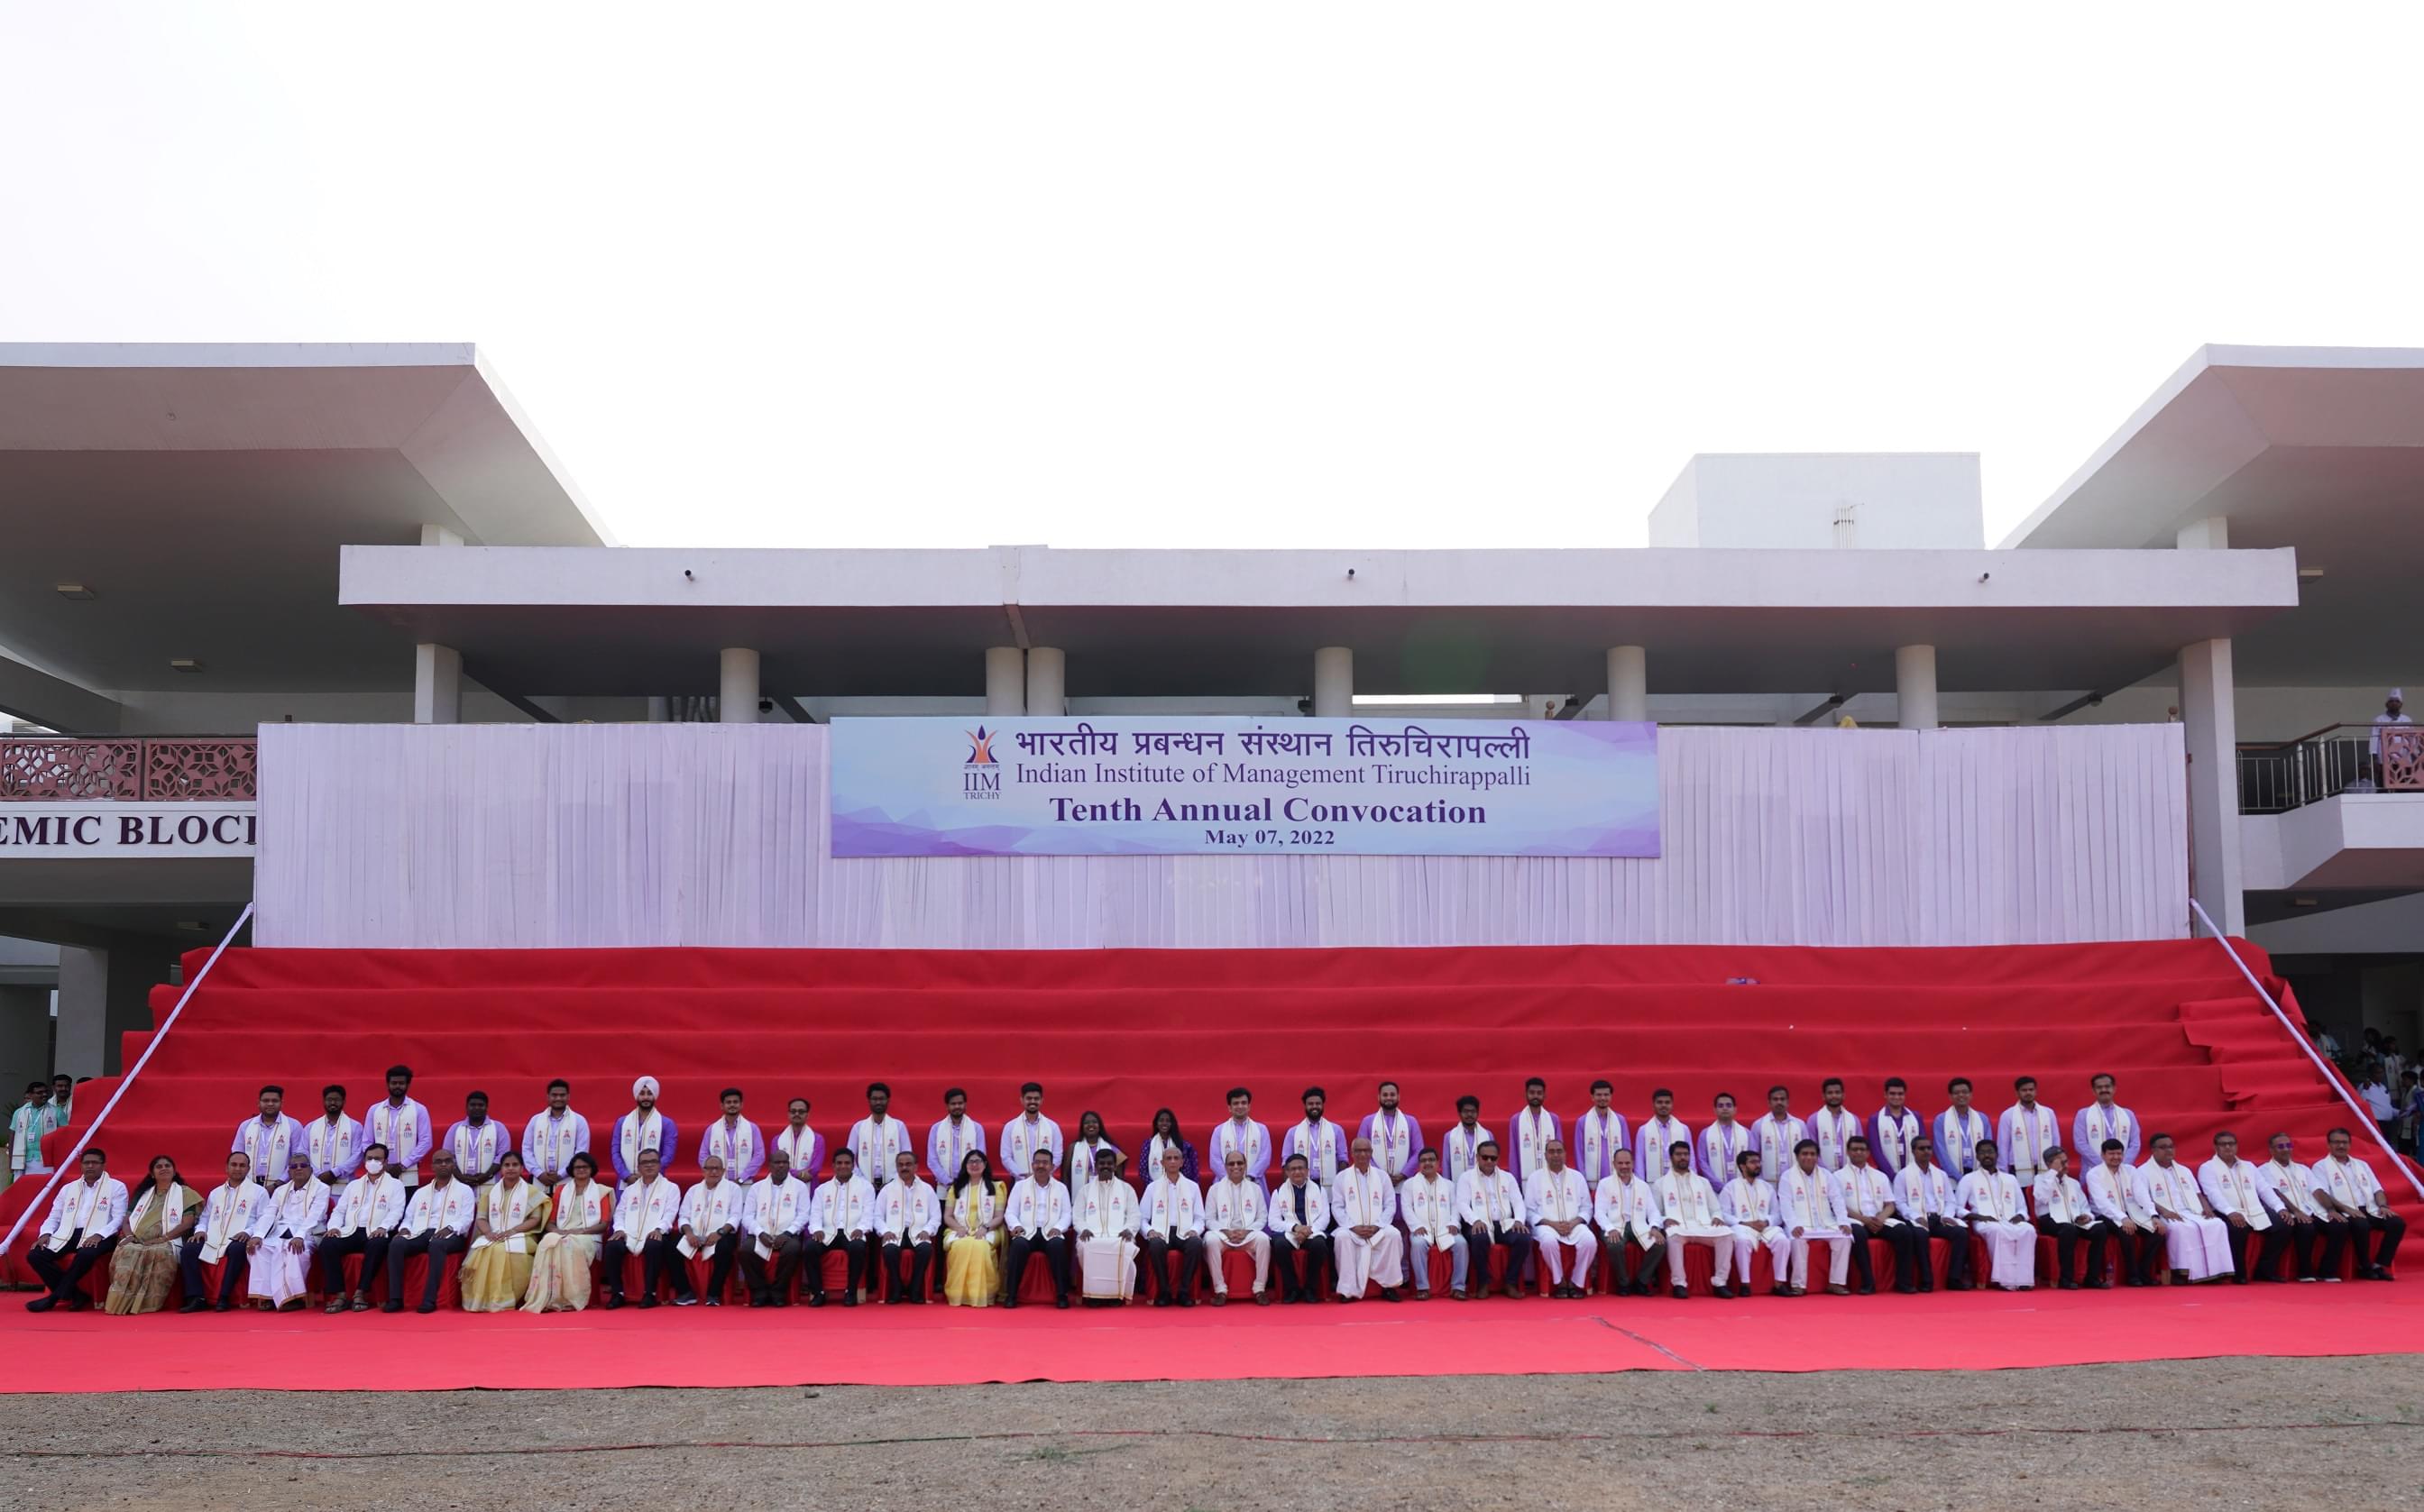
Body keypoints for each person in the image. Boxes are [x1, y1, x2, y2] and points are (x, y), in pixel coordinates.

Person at [26, 1149, 127, 1311]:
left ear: (103, 1165)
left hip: (102, 1235)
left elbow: (119, 1219)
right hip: (68, 1233)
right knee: (35, 1255)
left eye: (95, 1163)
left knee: (86, 1254)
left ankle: (54, 1298)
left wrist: (99, 1235)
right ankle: (76, 1295)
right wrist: (45, 1234)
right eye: (86, 1163)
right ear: (81, 1165)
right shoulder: (68, 1189)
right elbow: (54, 1216)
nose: (90, 1166)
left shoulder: (116, 1187)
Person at [317, 1141, 406, 1313]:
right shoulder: (353, 1185)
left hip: (376, 1231)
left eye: (377, 1159)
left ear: (385, 1162)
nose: (373, 1162)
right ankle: (340, 1294)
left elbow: (396, 1211)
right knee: (327, 1243)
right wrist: (334, 1226)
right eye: (369, 1158)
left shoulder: (396, 1185)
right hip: (351, 1230)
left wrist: (384, 1228)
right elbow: (339, 1210)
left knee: (377, 1244)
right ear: (364, 1161)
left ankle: (360, 1293)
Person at [521, 1151, 612, 1313]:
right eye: (577, 1167)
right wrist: (556, 1231)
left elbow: (604, 1224)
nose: (581, 1170)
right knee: (548, 1242)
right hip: (563, 1232)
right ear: (572, 1170)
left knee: (567, 1244)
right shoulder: (561, 1190)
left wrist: (581, 1231)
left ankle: (570, 1297)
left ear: (592, 1169)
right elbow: (550, 1222)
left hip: (588, 1235)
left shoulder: (601, 1191)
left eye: (585, 1167)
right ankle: (549, 1295)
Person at [386, 1150, 476, 1313]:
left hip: (452, 1235)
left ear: (453, 1164)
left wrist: (449, 1228)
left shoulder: (465, 1190)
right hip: (422, 1232)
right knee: (396, 1244)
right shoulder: (421, 1192)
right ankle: (395, 1298)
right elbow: (408, 1217)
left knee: (437, 1244)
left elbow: (466, 1219)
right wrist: (404, 1229)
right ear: (432, 1166)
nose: (443, 1164)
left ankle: (429, 1300)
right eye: (439, 1161)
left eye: (447, 1161)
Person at [110, 1155, 202, 1315]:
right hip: (137, 1239)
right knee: (127, 1250)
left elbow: (187, 1223)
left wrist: (162, 1239)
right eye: (159, 1167)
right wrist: (130, 1236)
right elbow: (126, 1220)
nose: (164, 1168)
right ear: (152, 1174)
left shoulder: (185, 1193)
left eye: (168, 1165)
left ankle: (147, 1303)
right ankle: (121, 1303)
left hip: (169, 1240)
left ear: (174, 1171)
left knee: (159, 1252)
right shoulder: (143, 1193)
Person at [2136, 1132, 2232, 1284]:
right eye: (2163, 1147)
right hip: (2163, 1213)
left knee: (2218, 1224)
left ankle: (2216, 1272)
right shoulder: (2142, 1171)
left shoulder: (2184, 1170)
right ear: (2153, 1151)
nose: (2169, 1150)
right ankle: (2182, 1274)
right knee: (2179, 1228)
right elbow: (2144, 1198)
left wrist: (2207, 1208)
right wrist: (2165, 1211)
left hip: (2191, 1210)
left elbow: (2198, 1193)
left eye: (2171, 1147)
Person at [2310, 1126, 2403, 1279]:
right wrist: (2347, 1209)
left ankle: (2379, 1265)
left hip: (2370, 1208)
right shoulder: (2321, 1166)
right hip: (2344, 1209)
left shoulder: (2362, 1165)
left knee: (2397, 1223)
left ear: (2350, 1144)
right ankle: (2364, 1266)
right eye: (2336, 1142)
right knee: (2361, 1224)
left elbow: (2377, 1190)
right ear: (2328, 1145)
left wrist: (2383, 1206)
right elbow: (2323, 1193)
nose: (2341, 1146)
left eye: (2345, 1142)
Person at [458, 1151, 545, 1311]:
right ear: (501, 1169)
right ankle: (481, 1299)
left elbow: (535, 1219)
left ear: (522, 1168)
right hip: (494, 1234)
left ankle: (504, 1298)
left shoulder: (532, 1192)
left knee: (497, 1250)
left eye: (515, 1165)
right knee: (484, 1249)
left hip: (522, 1235)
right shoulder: (490, 1192)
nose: (511, 1168)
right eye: (507, 1165)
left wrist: (513, 1231)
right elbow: (482, 1218)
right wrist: (488, 1233)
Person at [600, 1146, 683, 1309]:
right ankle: (618, 1293)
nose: (649, 1166)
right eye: (644, 1163)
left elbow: (670, 1214)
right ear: (638, 1167)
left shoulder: (671, 1188)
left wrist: (659, 1229)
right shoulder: (630, 1190)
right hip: (630, 1233)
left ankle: (649, 1293)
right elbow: (620, 1213)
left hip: (657, 1232)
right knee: (612, 1246)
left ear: (659, 1165)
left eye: (653, 1162)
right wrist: (620, 1230)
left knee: (654, 1244)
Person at [247, 1152, 330, 1310]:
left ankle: (294, 1297)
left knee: (292, 1249)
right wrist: (257, 1235)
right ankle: (269, 1296)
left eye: (302, 1166)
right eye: (294, 1166)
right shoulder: (281, 1190)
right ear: (289, 1171)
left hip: (309, 1233)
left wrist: (299, 1236)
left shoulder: (322, 1188)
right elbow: (269, 1214)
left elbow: (315, 1216)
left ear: (311, 1169)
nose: (298, 1169)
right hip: (280, 1233)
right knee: (258, 1248)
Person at [1836, 1136, 1918, 1296]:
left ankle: (1904, 1282)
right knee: (1857, 1234)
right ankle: (1867, 1282)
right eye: (1854, 1149)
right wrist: (1864, 1220)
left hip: (1879, 1218)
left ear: (1868, 1153)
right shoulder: (1837, 1176)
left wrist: (1880, 1218)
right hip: (1855, 1219)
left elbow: (1890, 1204)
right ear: (1848, 1152)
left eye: (1862, 1149)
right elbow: (1839, 1206)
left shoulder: (1880, 1175)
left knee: (1905, 1232)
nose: (1858, 1152)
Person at [2198, 1132, 2282, 1284]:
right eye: (2223, 1144)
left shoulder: (2248, 1166)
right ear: (2215, 1147)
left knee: (2283, 1225)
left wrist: (2279, 1207)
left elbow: (2264, 1189)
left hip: (2254, 1209)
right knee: (2238, 1229)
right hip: (2225, 1210)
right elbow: (2213, 1194)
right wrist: (2231, 1212)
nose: (2228, 1147)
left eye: (2231, 1143)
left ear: (2237, 1146)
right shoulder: (2207, 1167)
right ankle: (2239, 1273)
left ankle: (2264, 1270)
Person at [1770, 1140, 1851, 1297]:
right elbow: (1785, 1204)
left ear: (1817, 1157)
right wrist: (1793, 1225)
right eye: (1804, 1154)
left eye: (1812, 1154)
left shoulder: (1826, 1175)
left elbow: (1837, 1199)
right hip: (1800, 1223)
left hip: (1826, 1222)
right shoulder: (1787, 1176)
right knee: (1797, 1240)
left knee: (1845, 1237)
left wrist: (1843, 1221)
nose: (1808, 1157)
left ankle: (1836, 1283)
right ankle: (1799, 1284)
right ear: (1797, 1156)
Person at [1656, 1140, 1734, 1299]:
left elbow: (1716, 1208)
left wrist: (1717, 1217)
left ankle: (1720, 1282)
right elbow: (1655, 1212)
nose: (1683, 1157)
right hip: (1679, 1227)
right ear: (1671, 1157)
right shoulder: (1660, 1183)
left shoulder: (1703, 1182)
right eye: (1678, 1154)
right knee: (1672, 1235)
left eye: (1686, 1154)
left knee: (1726, 1234)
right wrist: (1664, 1219)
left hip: (1703, 1226)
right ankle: (1679, 1284)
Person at [1331, 1136, 1406, 1303]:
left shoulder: (1382, 1176)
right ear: (1352, 1153)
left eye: (1366, 1150)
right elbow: (1337, 1207)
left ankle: (1389, 1287)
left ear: (1372, 1152)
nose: (1362, 1154)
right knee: (1342, 1237)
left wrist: (1378, 1226)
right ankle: (1347, 1290)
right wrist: (1353, 1227)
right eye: (1358, 1151)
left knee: (1393, 1235)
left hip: (1377, 1228)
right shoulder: (1342, 1177)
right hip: (1352, 1229)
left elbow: (1390, 1205)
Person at [737, 1148, 813, 1307]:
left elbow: (804, 1215)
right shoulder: (757, 1188)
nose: (781, 1166)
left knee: (793, 1250)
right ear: (770, 1166)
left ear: (789, 1165)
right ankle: (760, 1291)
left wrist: (787, 1233)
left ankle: (779, 1291)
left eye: (784, 1162)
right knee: (745, 1250)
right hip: (761, 1234)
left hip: (788, 1235)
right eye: (777, 1162)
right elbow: (747, 1216)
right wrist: (760, 1233)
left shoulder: (799, 1187)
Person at [1891, 1136, 1970, 1291]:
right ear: (1913, 1151)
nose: (1926, 1151)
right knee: (1920, 1235)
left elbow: (1950, 1200)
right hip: (1916, 1218)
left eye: (1928, 1148)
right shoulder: (1903, 1175)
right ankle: (1926, 1280)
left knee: (1961, 1233)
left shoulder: (1941, 1174)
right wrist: (1916, 1217)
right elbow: (1899, 1203)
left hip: (1939, 1218)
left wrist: (1947, 1216)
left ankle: (1954, 1278)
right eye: (1921, 1148)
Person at [2253, 1132, 2333, 1282]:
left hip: (2312, 1210)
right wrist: (2296, 1211)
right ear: (2271, 1150)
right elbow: (2275, 1192)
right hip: (2290, 1211)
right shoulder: (2264, 1170)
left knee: (2339, 1226)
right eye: (2280, 1146)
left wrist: (2331, 1210)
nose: (2285, 1149)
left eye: (2288, 1145)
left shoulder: (2303, 1169)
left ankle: (2328, 1270)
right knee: (2306, 1227)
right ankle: (2305, 1271)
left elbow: (2317, 1190)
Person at [1455, 1140, 1529, 1300]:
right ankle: (1483, 1282)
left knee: (1523, 1238)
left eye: (1493, 1158)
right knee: (1479, 1237)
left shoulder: (1507, 1177)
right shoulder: (1466, 1177)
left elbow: (1518, 1201)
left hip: (1504, 1223)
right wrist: (1475, 1220)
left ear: (1498, 1159)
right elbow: (1461, 1203)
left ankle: (1510, 1282)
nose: (1489, 1161)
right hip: (1478, 1222)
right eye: (1485, 1157)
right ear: (1477, 1157)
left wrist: (1519, 1221)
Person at [1957, 1139, 2034, 1290]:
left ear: (1997, 1155)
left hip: (2010, 1221)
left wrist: (2020, 1216)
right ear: (1977, 1156)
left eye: (1990, 1152)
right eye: (1983, 1152)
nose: (1987, 1155)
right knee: (1997, 1231)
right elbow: (1959, 1209)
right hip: (1985, 1223)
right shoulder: (1968, 1179)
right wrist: (1980, 1217)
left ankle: (2024, 1279)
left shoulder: (2010, 1179)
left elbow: (2023, 1208)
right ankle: (2005, 1281)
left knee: (2028, 1230)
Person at [2031, 1147, 2112, 1289]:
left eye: (2066, 1161)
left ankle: (2092, 1277)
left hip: (2074, 1220)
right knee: (2068, 1230)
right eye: (2061, 1163)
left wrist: (2087, 1216)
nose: (2066, 1166)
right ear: (2050, 1164)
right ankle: (2066, 1278)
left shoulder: (2073, 1183)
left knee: (2100, 1229)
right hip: (2050, 1220)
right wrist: (2053, 1173)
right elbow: (2042, 1198)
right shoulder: (2041, 1179)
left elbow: (2084, 1206)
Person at [2083, 1139, 2161, 1288]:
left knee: (2157, 1232)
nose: (2116, 1157)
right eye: (2111, 1154)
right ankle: (2133, 1276)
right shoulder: (2094, 1174)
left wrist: (2153, 1215)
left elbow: (2142, 1194)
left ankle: (2144, 1272)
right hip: (2106, 1215)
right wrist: (2123, 1218)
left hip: (2132, 1211)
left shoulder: (2131, 1171)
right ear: (2103, 1155)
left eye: (2119, 1153)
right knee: (2126, 1232)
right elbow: (2102, 1203)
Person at [803, 1147, 876, 1306]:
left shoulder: (865, 1187)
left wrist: (862, 1228)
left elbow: (868, 1213)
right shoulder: (822, 1190)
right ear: (833, 1165)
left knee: (858, 1247)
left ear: (853, 1165)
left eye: (847, 1163)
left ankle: (850, 1292)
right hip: (828, 1233)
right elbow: (815, 1214)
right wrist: (816, 1230)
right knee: (810, 1248)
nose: (843, 1166)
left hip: (853, 1232)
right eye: (839, 1163)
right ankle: (818, 1292)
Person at [1523, 1137, 1593, 1298]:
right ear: (1545, 1155)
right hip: (1546, 1225)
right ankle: (1560, 1281)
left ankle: (1576, 1281)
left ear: (1565, 1154)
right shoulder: (1535, 1178)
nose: (1556, 1155)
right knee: (1548, 1242)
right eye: (1552, 1152)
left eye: (1559, 1151)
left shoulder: (1577, 1177)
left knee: (1590, 1241)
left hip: (1574, 1224)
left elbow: (1587, 1208)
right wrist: (1552, 1224)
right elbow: (1530, 1210)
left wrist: (1574, 1222)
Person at [1003, 1149, 1071, 1310]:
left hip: (1050, 1231)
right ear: (1032, 1165)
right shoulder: (1020, 1186)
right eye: (1037, 1162)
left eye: (1045, 1163)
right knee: (1018, 1245)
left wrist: (1059, 1228)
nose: (1041, 1166)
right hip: (1027, 1231)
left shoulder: (1061, 1188)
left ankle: (1062, 1295)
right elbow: (1010, 1212)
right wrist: (1016, 1226)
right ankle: (1011, 1295)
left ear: (1052, 1166)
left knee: (1057, 1246)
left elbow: (1067, 1213)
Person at [1139, 1144, 1207, 1306]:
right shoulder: (1152, 1187)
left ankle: (1184, 1292)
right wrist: (1149, 1231)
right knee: (1155, 1245)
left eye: (1176, 1158)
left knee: (1196, 1243)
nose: (1173, 1162)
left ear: (1182, 1162)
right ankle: (1164, 1291)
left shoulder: (1192, 1187)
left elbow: (1199, 1218)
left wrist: (1194, 1230)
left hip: (1185, 1231)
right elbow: (1141, 1218)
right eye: (1168, 1158)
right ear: (1162, 1163)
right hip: (1162, 1231)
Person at [1593, 1146, 1666, 1297]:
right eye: (1620, 1163)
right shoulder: (1604, 1184)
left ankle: (1642, 1281)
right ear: (1614, 1164)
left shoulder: (1643, 1185)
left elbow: (1653, 1211)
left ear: (1633, 1163)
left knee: (1660, 1244)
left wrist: (1654, 1227)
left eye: (1627, 1163)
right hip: (1614, 1225)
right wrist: (1609, 1228)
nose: (1624, 1167)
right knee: (1614, 1245)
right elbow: (1599, 1212)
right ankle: (1624, 1283)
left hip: (1638, 1225)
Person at [1073, 1146, 1141, 1306]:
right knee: (1085, 1246)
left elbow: (1134, 1215)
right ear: (1095, 1166)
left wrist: (1129, 1230)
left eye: (1109, 1163)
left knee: (1126, 1246)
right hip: (1092, 1234)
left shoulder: (1126, 1189)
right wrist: (1083, 1229)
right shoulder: (1085, 1190)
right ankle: (1093, 1295)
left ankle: (1116, 1295)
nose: (1105, 1166)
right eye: (1102, 1163)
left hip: (1118, 1234)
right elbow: (1077, 1215)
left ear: (1115, 1166)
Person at [1204, 1147, 1272, 1305]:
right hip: (1223, 1234)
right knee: (1210, 1240)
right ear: (1225, 1167)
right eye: (1231, 1164)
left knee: (1263, 1240)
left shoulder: (1255, 1188)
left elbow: (1262, 1217)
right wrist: (1225, 1231)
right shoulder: (1215, 1189)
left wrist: (1246, 1231)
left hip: (1248, 1233)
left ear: (1245, 1165)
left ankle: (1259, 1288)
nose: (1236, 1167)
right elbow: (1209, 1219)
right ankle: (1220, 1289)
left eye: (1239, 1163)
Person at [941, 1150, 1008, 1307]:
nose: (974, 1165)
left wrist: (985, 1227)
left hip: (989, 1229)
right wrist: (959, 1228)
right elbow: (948, 1216)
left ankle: (984, 1294)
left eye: (978, 1161)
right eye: (971, 1162)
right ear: (965, 1166)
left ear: (985, 1165)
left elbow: (999, 1216)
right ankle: (959, 1294)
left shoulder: (996, 1187)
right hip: (959, 1228)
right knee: (960, 1245)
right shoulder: (956, 1187)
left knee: (980, 1246)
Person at [678, 1154, 746, 1306]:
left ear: (723, 1171)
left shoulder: (733, 1189)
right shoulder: (693, 1190)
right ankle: (686, 1292)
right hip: (695, 1234)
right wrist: (689, 1234)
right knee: (670, 1248)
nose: (713, 1172)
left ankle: (713, 1294)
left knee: (725, 1249)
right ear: (703, 1171)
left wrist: (720, 1233)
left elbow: (736, 1216)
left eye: (717, 1169)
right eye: (710, 1168)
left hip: (721, 1234)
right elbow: (683, 1215)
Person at [876, 1149, 941, 1303]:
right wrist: (884, 1231)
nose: (904, 1168)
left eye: (908, 1164)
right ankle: (896, 1290)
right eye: (900, 1165)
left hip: (919, 1232)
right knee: (890, 1250)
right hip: (894, 1231)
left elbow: (936, 1216)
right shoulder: (887, 1189)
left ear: (916, 1167)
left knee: (925, 1249)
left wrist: (927, 1230)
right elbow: (877, 1216)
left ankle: (915, 1290)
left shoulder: (927, 1189)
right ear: (896, 1167)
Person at [1268, 1152, 1334, 1304]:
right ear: (1287, 1172)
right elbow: (1273, 1221)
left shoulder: (1319, 1190)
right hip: (1290, 1233)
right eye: (1293, 1169)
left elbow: (1325, 1217)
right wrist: (1295, 1228)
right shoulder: (1278, 1192)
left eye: (1301, 1168)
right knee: (1280, 1245)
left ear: (1307, 1171)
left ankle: (1310, 1287)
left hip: (1312, 1231)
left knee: (1319, 1245)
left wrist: (1308, 1230)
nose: (1297, 1172)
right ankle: (1292, 1288)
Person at [1718, 1151, 1787, 1293]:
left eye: (1758, 1162)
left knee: (1783, 1241)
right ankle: (1745, 1284)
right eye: (1753, 1162)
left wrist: (1767, 1222)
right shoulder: (1730, 1188)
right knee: (1742, 1241)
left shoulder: (1767, 1187)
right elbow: (1723, 1214)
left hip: (1765, 1227)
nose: (1757, 1165)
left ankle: (1779, 1283)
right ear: (1742, 1166)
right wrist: (1744, 1223)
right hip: (1742, 1227)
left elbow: (1778, 1213)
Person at [1400, 1147, 1463, 1300]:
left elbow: (1455, 1206)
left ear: (1438, 1163)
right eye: (1423, 1161)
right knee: (1417, 1244)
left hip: (1445, 1229)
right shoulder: (1409, 1184)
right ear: (1419, 1164)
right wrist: (1415, 1226)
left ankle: (1458, 1287)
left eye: (1431, 1160)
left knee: (1462, 1244)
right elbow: (1406, 1208)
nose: (1427, 1163)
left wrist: (1455, 1223)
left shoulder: (1448, 1185)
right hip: (1422, 1229)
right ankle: (1422, 1287)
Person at [365, 1066, 432, 1190]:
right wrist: (380, 1164)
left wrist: (403, 1165)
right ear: (387, 1084)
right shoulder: (374, 1110)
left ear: (408, 1084)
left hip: (408, 1175)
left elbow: (426, 1141)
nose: (397, 1086)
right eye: (394, 1083)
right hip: (379, 1172)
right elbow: (367, 1142)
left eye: (401, 1083)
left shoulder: (419, 1109)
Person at [519, 1078, 589, 1191]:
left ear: (568, 1097)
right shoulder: (535, 1120)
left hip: (568, 1179)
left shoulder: (579, 1121)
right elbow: (526, 1149)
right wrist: (538, 1173)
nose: (558, 1098)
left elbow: (581, 1152)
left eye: (562, 1095)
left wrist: (561, 1174)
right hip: (539, 1180)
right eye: (554, 1095)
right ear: (548, 1097)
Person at [232, 1085, 306, 1187]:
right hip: (249, 1186)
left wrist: (278, 1184)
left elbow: (298, 1159)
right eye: (266, 1101)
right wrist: (246, 1184)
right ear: (258, 1103)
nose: (270, 1104)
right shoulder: (246, 1126)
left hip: (282, 1187)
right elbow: (237, 1156)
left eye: (275, 1101)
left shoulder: (293, 1126)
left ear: (281, 1103)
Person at [611, 1077, 679, 1186]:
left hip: (655, 1180)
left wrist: (647, 1173)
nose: (646, 1097)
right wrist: (626, 1175)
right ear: (636, 1095)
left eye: (650, 1093)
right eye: (642, 1093)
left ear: (655, 1096)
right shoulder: (622, 1122)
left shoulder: (667, 1124)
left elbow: (668, 1155)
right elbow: (615, 1152)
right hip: (626, 1182)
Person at [1997, 1077, 2061, 1186]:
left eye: (2031, 1090)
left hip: (2045, 1166)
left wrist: (2057, 1163)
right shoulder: (2008, 1115)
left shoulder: (2048, 1113)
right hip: (2018, 1168)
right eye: (2024, 1090)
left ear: (2035, 1091)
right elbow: (2003, 1145)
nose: (2028, 1093)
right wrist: (2003, 1172)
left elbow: (2056, 1140)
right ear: (2017, 1093)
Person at [1283, 1086, 1348, 1189]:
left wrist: (1340, 1185)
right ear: (1305, 1105)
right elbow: (1286, 1163)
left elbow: (1343, 1160)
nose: (1314, 1107)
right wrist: (1288, 1189)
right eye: (1310, 1104)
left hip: (1330, 1186)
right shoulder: (1293, 1132)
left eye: (1318, 1104)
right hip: (1301, 1186)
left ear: (1323, 1105)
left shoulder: (1336, 1130)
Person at [1359, 1081, 1421, 1181]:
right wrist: (1380, 1175)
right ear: (1378, 1097)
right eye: (1385, 1095)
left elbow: (1418, 1151)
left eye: (1392, 1095)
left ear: (1398, 1097)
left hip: (1404, 1181)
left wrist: (1403, 1175)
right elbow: (1361, 1151)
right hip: (1374, 1180)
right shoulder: (1367, 1122)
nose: (1388, 1098)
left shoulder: (1411, 1122)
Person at [443, 1091, 507, 1189]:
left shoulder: (498, 1128)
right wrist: (461, 1177)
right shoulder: (455, 1128)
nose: (477, 1108)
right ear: (466, 1107)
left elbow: (503, 1155)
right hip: (460, 1183)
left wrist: (485, 1176)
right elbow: (447, 1156)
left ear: (487, 1107)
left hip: (490, 1183)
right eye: (473, 1105)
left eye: (481, 1105)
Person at [703, 1086, 767, 1185]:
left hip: (745, 1184)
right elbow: (703, 1156)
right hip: (718, 1183)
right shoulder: (712, 1129)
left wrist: (743, 1177)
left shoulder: (752, 1129)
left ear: (741, 1105)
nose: (732, 1105)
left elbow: (759, 1156)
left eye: (735, 1102)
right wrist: (714, 1175)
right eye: (728, 1102)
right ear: (722, 1105)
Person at [1210, 1087, 1272, 1187]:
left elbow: (1264, 1158)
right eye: (1236, 1103)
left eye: (1243, 1103)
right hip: (1225, 1183)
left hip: (1254, 1182)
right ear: (1229, 1107)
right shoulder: (1219, 1131)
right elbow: (1215, 1160)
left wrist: (1250, 1177)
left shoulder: (1261, 1130)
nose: (1240, 1106)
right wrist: (1231, 1179)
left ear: (1249, 1106)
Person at [306, 1085, 363, 1192]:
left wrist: (334, 1173)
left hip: (344, 1187)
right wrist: (318, 1173)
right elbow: (303, 1153)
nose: (332, 1103)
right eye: (329, 1100)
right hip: (316, 1184)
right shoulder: (311, 1127)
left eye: (336, 1100)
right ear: (324, 1101)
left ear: (344, 1102)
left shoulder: (355, 1127)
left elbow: (358, 1156)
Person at [847, 1085, 906, 1189]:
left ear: (888, 1100)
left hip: (894, 1183)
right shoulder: (858, 1127)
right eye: (874, 1099)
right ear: (869, 1101)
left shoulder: (899, 1126)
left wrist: (894, 1180)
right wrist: (862, 1180)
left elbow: (907, 1155)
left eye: (882, 1099)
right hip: (863, 1184)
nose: (878, 1102)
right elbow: (849, 1157)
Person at [2073, 1074, 2140, 1166]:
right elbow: (2080, 1144)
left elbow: (2135, 1144)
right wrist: (2102, 1165)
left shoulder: (2128, 1114)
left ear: (2114, 1089)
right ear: (2093, 1091)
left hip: (2123, 1169)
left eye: (2107, 1086)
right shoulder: (2083, 1114)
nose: (2104, 1090)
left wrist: (2122, 1164)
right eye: (2099, 1087)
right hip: (2093, 1169)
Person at [1572, 1080, 1630, 1186]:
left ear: (1611, 1096)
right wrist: (1582, 1180)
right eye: (1599, 1095)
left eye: (1606, 1095)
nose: (1602, 1098)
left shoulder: (1620, 1121)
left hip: (1617, 1178)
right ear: (1592, 1097)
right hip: (1592, 1182)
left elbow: (1626, 1150)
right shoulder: (1582, 1122)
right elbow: (1579, 1153)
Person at [1000, 1083, 1063, 1179]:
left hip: (1046, 1181)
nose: (1032, 1101)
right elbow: (1006, 1157)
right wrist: (1021, 1175)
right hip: (1019, 1181)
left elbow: (1057, 1156)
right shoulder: (1010, 1127)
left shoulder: (1053, 1127)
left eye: (1036, 1099)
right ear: (1022, 1100)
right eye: (1029, 1098)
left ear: (1042, 1101)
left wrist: (1043, 1173)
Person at [926, 1087, 986, 1186]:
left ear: (965, 1104)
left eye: (960, 1103)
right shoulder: (936, 1129)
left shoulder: (976, 1128)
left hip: (970, 1184)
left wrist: (966, 1181)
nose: (957, 1106)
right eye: (953, 1104)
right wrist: (948, 1182)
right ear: (947, 1106)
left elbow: (981, 1158)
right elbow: (932, 1161)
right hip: (944, 1186)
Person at [1933, 1078, 1990, 1180]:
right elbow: (1941, 1152)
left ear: (1971, 1095)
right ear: (1950, 1097)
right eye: (1956, 1093)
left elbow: (1989, 1148)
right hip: (1952, 1178)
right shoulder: (1941, 1120)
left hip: (1979, 1176)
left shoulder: (1982, 1119)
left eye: (1964, 1092)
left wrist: (1981, 1173)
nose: (1961, 1095)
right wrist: (1958, 1177)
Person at [1751, 1086, 1809, 1187]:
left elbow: (1807, 1153)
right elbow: (1753, 1155)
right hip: (1767, 1182)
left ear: (1788, 1102)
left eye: (1782, 1099)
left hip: (1796, 1181)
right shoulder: (1759, 1125)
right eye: (1775, 1099)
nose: (1779, 1102)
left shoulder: (1800, 1125)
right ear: (1769, 1103)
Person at [1506, 1077, 1560, 1184]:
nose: (1535, 1096)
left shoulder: (1553, 1119)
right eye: (1532, 1092)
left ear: (1544, 1095)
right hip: (1525, 1177)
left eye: (1539, 1093)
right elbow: (1514, 1153)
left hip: (1551, 1175)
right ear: (1526, 1094)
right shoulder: (1516, 1120)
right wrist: (1515, 1181)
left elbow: (1559, 1150)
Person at [1633, 1089, 1693, 1186]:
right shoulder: (1643, 1131)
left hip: (1679, 1183)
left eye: (1667, 1102)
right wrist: (1641, 1185)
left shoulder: (1683, 1129)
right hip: (1653, 1183)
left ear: (1672, 1105)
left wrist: (1691, 1181)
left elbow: (1691, 1158)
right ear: (1653, 1105)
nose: (1663, 1105)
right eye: (1659, 1102)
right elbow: (1639, 1160)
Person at [7, 1081, 59, 1188]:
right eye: (39, 1092)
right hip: (22, 1160)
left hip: (46, 1160)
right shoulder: (19, 1112)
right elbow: (12, 1136)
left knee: (43, 1189)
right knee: (23, 1190)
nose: (44, 1094)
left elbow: (65, 1136)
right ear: (30, 1095)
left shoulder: (56, 1112)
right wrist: (11, 1160)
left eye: (45, 1092)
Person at [1868, 1079, 1924, 1175]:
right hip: (1887, 1176)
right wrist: (1893, 1176)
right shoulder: (1875, 1119)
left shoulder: (1916, 1117)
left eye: (1900, 1094)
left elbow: (1922, 1146)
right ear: (1885, 1095)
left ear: (1905, 1095)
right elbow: (1876, 1151)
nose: (1896, 1097)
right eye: (1892, 1094)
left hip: (1914, 1174)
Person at [1809, 1079, 1861, 1173]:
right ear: (1823, 1096)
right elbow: (1811, 1149)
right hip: (1823, 1173)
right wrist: (1825, 1172)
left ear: (1843, 1095)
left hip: (1851, 1173)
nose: (1834, 1096)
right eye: (1830, 1093)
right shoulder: (1814, 1119)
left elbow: (1860, 1148)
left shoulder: (1854, 1120)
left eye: (1837, 1092)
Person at [1699, 1093, 1750, 1187]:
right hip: (1715, 1189)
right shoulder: (1705, 1134)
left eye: (1729, 1105)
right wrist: (1718, 1184)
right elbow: (1702, 1162)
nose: (1725, 1108)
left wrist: (1743, 1183)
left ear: (1735, 1109)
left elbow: (1752, 1160)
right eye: (1720, 1106)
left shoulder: (1747, 1133)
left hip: (1742, 1186)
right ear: (1715, 1110)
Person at [1143, 1108, 1199, 1185]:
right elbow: (1143, 1170)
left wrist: (1177, 1185)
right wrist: (1155, 1186)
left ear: (1172, 1123)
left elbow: (1188, 1169)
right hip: (1155, 1188)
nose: (1164, 1123)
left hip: (1179, 1187)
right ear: (1156, 1124)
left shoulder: (1183, 1145)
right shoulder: (1148, 1144)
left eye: (1168, 1121)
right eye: (1161, 1120)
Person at [775, 1096, 825, 1180]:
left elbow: (816, 1167)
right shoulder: (777, 1140)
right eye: (793, 1111)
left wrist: (796, 1174)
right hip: (783, 1183)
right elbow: (776, 1164)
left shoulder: (818, 1139)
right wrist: (799, 1174)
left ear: (807, 1115)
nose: (797, 1114)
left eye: (801, 1112)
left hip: (808, 1182)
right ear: (788, 1114)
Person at [1441, 1095, 1490, 1181]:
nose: (1469, 1114)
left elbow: (1492, 1162)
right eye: (1466, 1111)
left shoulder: (1487, 1135)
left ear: (1478, 1112)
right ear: (1459, 1113)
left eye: (1473, 1111)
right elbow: (1446, 1165)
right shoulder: (1450, 1136)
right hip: (1458, 1185)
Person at [1068, 1110, 1120, 1190]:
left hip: (1105, 1193)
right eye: (1086, 1123)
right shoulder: (1073, 1148)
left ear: (1100, 1126)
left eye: (1094, 1122)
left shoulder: (1111, 1147)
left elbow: (1120, 1175)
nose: (1091, 1125)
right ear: (1082, 1127)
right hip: (1080, 1194)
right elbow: (1065, 1175)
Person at [2371, 687, 2411, 777]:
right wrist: (2374, 759)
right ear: (2387, 704)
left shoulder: (2407, 719)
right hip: (2385, 758)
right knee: (2384, 784)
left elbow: (2413, 740)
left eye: (2397, 701)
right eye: (2391, 701)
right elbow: (2374, 739)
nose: (2394, 703)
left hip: (2404, 757)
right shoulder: (2379, 719)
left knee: (2404, 786)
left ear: (2401, 704)